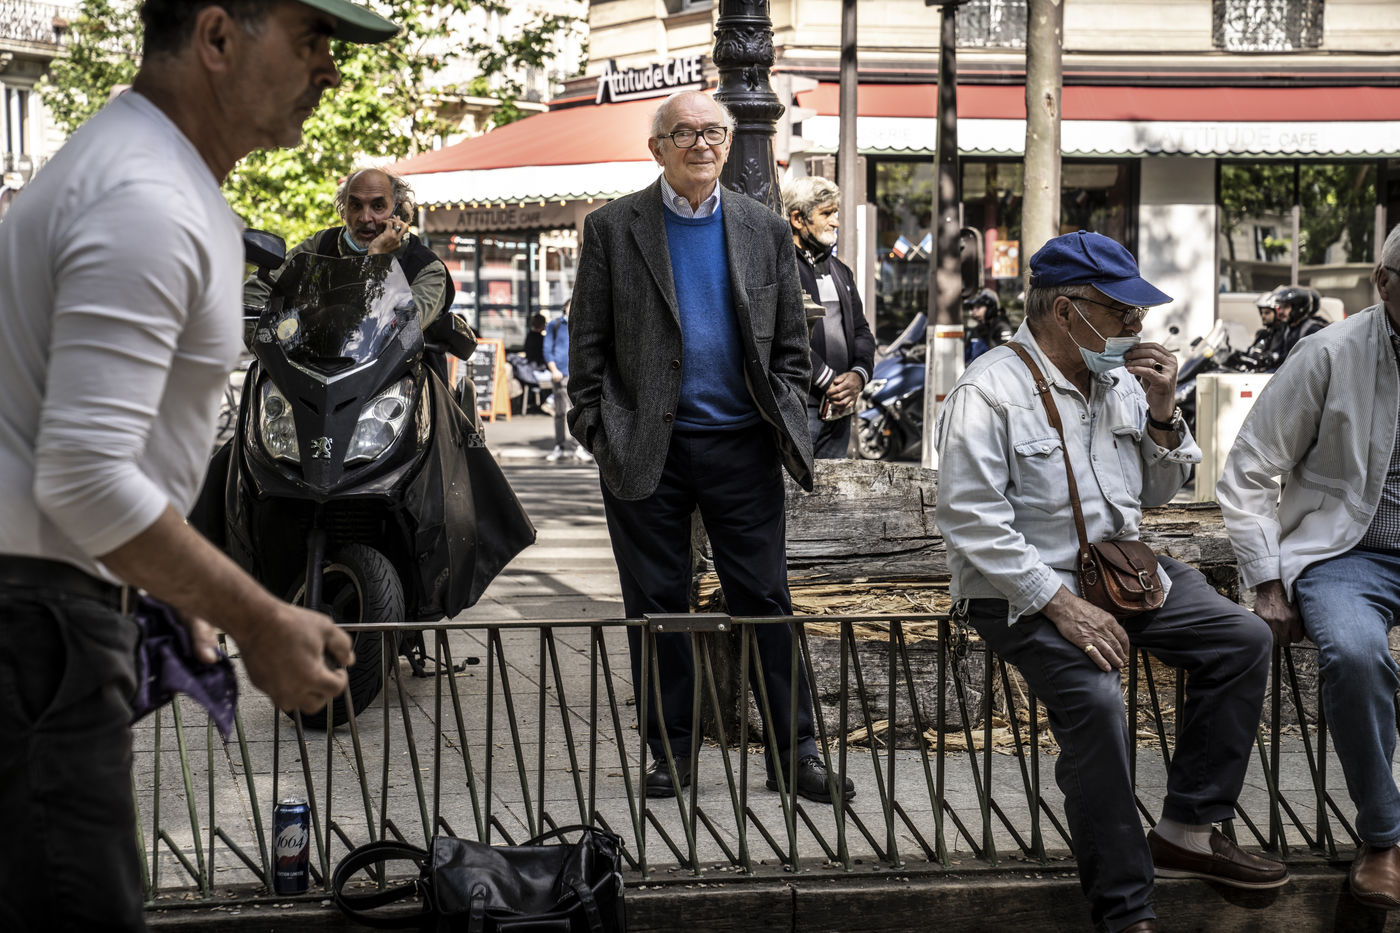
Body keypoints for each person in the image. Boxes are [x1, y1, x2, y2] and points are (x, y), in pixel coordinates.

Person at [0, 1, 398, 930]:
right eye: (310, 40)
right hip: (37, 623)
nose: (329, 71)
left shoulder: (140, 173)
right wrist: (258, 618)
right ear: (217, 38)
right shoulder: (146, 199)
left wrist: (171, 584)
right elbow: (84, 476)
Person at [935, 230, 1286, 933]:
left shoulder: (1122, 381)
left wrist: (1163, 411)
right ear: (1066, 311)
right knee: (1097, 702)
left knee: (1243, 638)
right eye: (1121, 311)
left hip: (1120, 573)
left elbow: (1155, 492)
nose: (1135, 325)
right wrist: (1061, 604)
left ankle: (1188, 829)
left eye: (1137, 312)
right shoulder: (990, 389)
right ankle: (1126, 909)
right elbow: (972, 522)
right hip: (1020, 590)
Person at [568, 90, 852, 804]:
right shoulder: (612, 228)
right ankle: (670, 752)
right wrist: (599, 432)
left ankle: (795, 752)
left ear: (728, 144)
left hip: (742, 446)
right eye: (685, 133)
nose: (702, 144)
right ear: (657, 147)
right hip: (646, 448)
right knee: (656, 604)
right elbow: (588, 346)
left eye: (714, 133)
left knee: (765, 597)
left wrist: (786, 411)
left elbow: (791, 345)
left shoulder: (763, 226)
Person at [1217, 223, 1400, 910]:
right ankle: (1384, 838)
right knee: (1353, 655)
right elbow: (1249, 469)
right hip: (1345, 552)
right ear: (1382, 283)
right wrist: (1267, 582)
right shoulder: (1329, 353)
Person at [243, 167, 457, 381]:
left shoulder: (427, 267)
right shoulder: (319, 245)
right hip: (310, 378)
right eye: (355, 205)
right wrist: (271, 354)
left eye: (378, 206)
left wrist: (376, 259)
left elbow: (403, 329)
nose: (365, 217)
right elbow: (255, 293)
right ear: (344, 208)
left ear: (397, 209)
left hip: (397, 385)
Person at [781, 176, 874, 459]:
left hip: (839, 412)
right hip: (800, 408)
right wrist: (827, 380)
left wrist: (859, 375)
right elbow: (782, 335)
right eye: (826, 213)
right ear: (798, 219)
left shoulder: (841, 271)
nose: (835, 222)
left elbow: (862, 331)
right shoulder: (782, 267)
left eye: (836, 213)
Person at [544, 300, 592, 463]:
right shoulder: (555, 325)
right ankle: (560, 446)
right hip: (561, 375)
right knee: (560, 413)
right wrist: (554, 370)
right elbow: (547, 349)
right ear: (565, 308)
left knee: (577, 412)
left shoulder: (582, 324)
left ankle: (578, 447)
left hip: (578, 375)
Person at [1273, 284, 1329, 364]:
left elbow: (1306, 360)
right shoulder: (1289, 328)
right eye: (1281, 307)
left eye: (1286, 307)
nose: (1281, 312)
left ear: (1298, 308)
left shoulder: (1312, 329)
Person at [963, 287, 1013, 364]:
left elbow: (1005, 357)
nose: (974, 311)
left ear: (990, 307)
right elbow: (964, 357)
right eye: (972, 308)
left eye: (978, 307)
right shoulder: (978, 329)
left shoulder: (1002, 327)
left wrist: (986, 337)